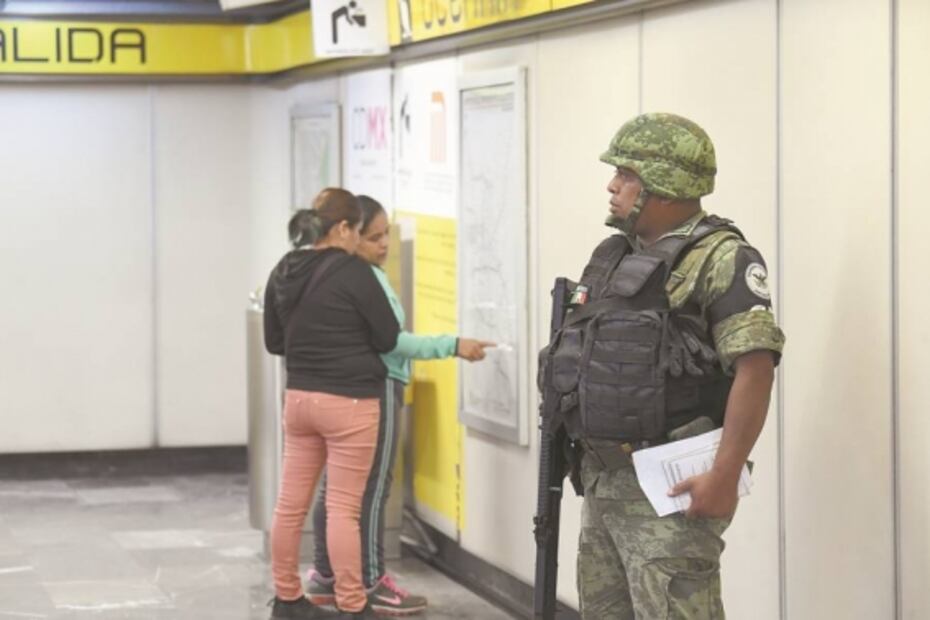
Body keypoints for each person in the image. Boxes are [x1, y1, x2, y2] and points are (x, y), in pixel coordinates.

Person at [541, 113, 785, 619]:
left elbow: (755, 368)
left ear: (666, 186)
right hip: (604, 482)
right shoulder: (615, 255)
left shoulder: (723, 258)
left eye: (627, 175)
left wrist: (725, 473)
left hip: (669, 491)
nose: (613, 186)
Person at [306, 195, 493, 616]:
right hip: (378, 388)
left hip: (338, 390)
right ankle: (371, 581)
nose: (383, 244)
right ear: (347, 232)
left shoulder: (331, 277)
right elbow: (392, 343)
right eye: (373, 236)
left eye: (386, 234)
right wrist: (453, 345)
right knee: (372, 489)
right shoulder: (362, 280)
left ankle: (325, 577)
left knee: (335, 490)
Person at [264, 188, 400, 620]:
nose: (360, 239)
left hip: (299, 399)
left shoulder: (283, 268)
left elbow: (273, 341)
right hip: (351, 403)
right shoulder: (354, 273)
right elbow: (388, 337)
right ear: (342, 228)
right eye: (359, 230)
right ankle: (353, 605)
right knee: (344, 509)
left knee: (290, 505)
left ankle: (287, 600)